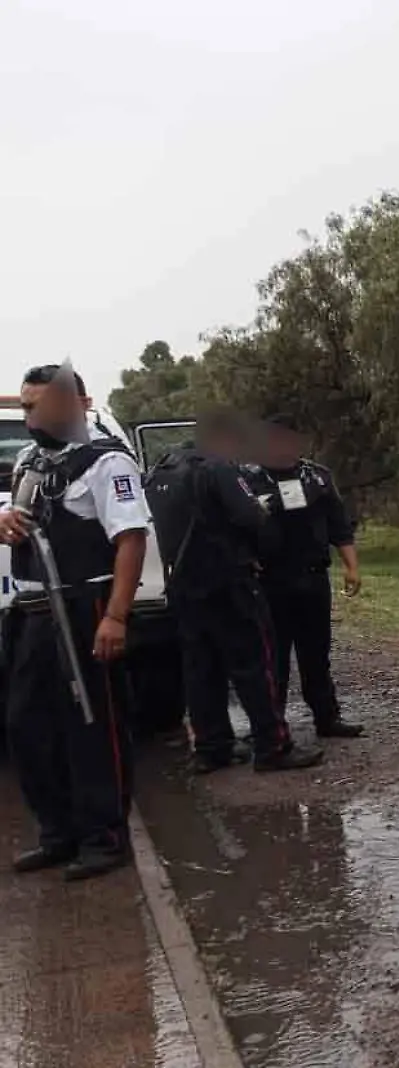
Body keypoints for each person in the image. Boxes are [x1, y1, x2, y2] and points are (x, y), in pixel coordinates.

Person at [0, 364, 146, 880]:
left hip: (84, 608)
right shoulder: (27, 461)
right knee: (26, 726)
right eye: (27, 405)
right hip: (31, 612)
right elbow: (18, 526)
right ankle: (57, 833)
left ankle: (104, 836)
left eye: (41, 405)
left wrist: (115, 616)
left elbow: (130, 540)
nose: (32, 415)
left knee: (91, 726)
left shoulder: (107, 464)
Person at [145, 410, 323, 774]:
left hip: (181, 585)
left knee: (200, 669)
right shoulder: (217, 468)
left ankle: (212, 748)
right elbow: (252, 517)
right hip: (227, 583)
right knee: (255, 665)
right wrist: (264, 547)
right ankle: (272, 745)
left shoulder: (161, 470)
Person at [246, 413, 363, 739]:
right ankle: (272, 727)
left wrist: (352, 567)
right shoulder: (247, 479)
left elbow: (339, 526)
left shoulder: (318, 478)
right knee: (274, 659)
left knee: (316, 654)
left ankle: (327, 718)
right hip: (269, 582)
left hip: (312, 579)